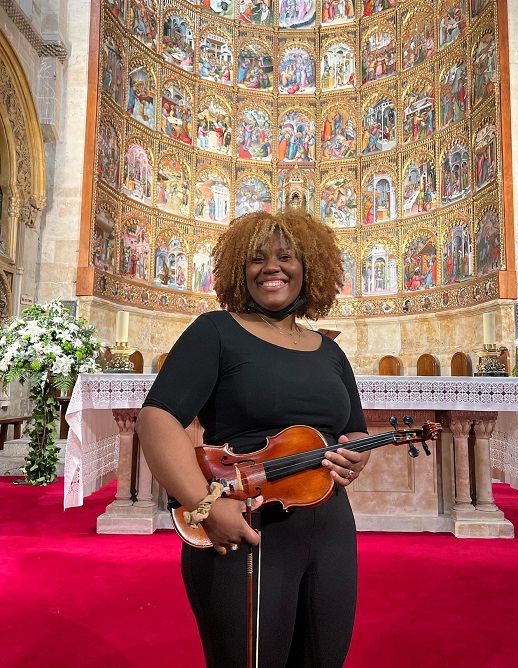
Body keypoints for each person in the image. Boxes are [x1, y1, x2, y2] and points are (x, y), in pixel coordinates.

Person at [136, 208, 369, 668]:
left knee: (323, 657)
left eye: (286, 256)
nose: (271, 267)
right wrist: (204, 505)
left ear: (310, 267)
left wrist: (355, 457)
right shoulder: (216, 331)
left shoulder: (331, 352)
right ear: (238, 271)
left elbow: (354, 430)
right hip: (244, 523)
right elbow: (157, 419)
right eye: (256, 259)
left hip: (332, 530)